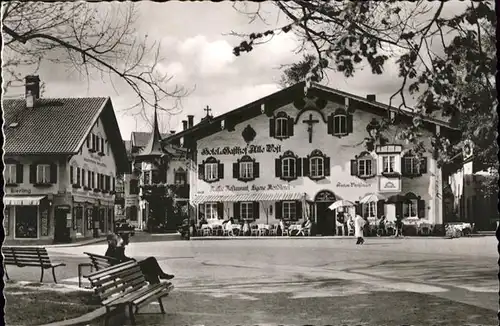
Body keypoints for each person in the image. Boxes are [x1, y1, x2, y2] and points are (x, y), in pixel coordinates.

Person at [105, 233, 174, 284]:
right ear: (110, 241)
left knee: (151, 265)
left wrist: (131, 259)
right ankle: (161, 276)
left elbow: (121, 259)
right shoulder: (111, 251)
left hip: (128, 268)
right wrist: (122, 246)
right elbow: (119, 259)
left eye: (116, 239)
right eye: (115, 240)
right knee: (151, 260)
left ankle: (157, 283)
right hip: (129, 270)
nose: (116, 241)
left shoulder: (111, 250)